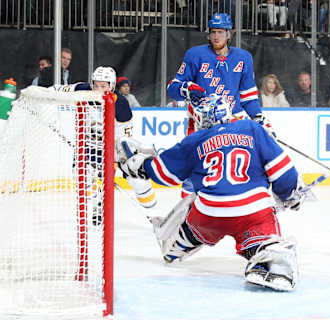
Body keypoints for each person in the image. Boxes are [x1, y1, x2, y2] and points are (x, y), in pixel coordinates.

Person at [117, 94, 305, 291]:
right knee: (260, 233)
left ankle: (176, 245)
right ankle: (267, 257)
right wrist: (289, 195)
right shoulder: (252, 128)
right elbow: (283, 172)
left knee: (193, 207)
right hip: (253, 211)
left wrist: (138, 165)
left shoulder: (195, 140)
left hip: (208, 213)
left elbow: (163, 173)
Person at [167, 13, 273, 198]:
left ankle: (235, 209)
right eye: (213, 32)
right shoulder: (195, 55)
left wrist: (259, 118)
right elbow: (173, 88)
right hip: (202, 123)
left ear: (228, 34)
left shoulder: (243, 58)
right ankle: (187, 214)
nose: (216, 36)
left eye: (221, 32)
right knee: (195, 170)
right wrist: (187, 89)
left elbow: (248, 97)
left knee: (237, 167)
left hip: (233, 122)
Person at [52, 66, 159, 214]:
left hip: (114, 145)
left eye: (103, 86)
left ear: (112, 86)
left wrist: (113, 161)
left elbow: (124, 136)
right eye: (96, 85)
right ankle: (98, 199)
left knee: (137, 176)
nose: (98, 89)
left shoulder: (120, 104)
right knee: (81, 176)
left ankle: (152, 208)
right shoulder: (83, 90)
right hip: (90, 144)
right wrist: (40, 93)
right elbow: (57, 90)